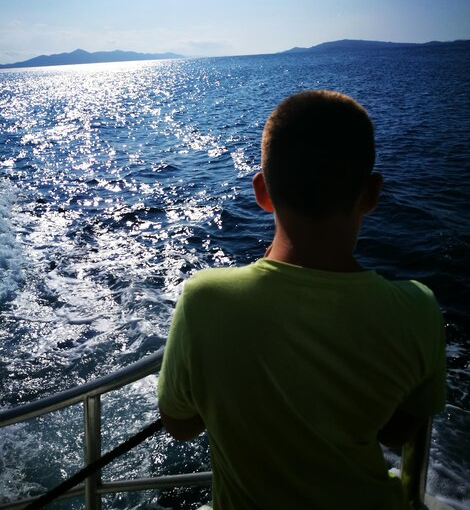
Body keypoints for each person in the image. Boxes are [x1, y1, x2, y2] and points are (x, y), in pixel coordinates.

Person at [157, 90, 446, 510]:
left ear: (262, 192)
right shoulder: (418, 308)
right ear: (371, 194)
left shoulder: (205, 300)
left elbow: (179, 424)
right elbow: (397, 432)